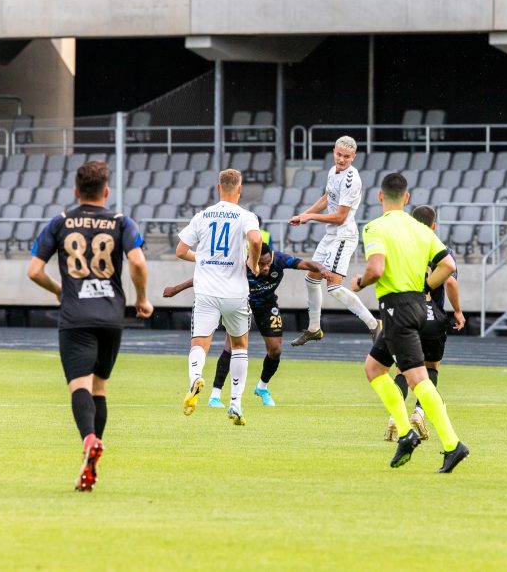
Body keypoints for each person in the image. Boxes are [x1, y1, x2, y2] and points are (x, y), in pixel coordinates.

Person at [27, 161, 154, 492]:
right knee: (100, 387)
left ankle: (89, 441)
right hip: (111, 315)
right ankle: (90, 462)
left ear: (75, 191)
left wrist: (60, 291)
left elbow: (34, 271)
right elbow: (138, 261)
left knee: (79, 385)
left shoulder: (60, 222)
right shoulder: (120, 222)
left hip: (75, 316)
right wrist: (141, 298)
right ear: (106, 191)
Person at [352, 172, 469, 473]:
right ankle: (406, 434)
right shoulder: (421, 230)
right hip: (418, 305)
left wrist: (361, 282)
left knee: (417, 379)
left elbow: (376, 269)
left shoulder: (375, 228)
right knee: (374, 368)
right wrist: (427, 286)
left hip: (396, 309)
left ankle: (452, 444)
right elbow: (450, 265)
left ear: (380, 196)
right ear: (406, 198)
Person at [162, 243, 329, 407]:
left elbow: (306, 263)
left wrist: (321, 269)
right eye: (260, 264)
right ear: (251, 258)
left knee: (275, 350)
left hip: (267, 305)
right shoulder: (240, 262)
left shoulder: (279, 259)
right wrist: (176, 289)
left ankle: (262, 387)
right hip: (241, 303)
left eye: (267, 264)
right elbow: (210, 276)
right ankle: (215, 395)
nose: (264, 268)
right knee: (231, 346)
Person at [175, 168, 262, 426]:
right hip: (235, 292)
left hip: (206, 291)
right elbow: (255, 240)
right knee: (240, 345)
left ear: (218, 188)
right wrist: (254, 264)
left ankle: (195, 379)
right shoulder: (245, 216)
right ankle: (235, 403)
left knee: (200, 343)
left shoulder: (203, 215)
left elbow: (181, 250)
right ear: (240, 189)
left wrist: (201, 258)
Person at [384, 204, 466, 442]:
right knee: (431, 367)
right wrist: (458, 312)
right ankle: (419, 412)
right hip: (433, 318)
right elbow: (450, 283)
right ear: (434, 226)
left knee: (402, 369)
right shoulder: (440, 248)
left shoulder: (402, 248)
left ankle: (394, 417)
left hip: (406, 315)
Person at [289, 135, 380, 346]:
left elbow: (340, 218)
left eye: (346, 157)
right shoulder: (333, 171)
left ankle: (374, 324)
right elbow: (326, 198)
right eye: (339, 155)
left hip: (343, 236)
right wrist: (304, 215)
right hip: (330, 235)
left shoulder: (352, 180)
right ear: (334, 151)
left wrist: (310, 217)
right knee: (311, 278)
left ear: (353, 157)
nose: (341, 159)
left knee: (334, 287)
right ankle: (314, 329)